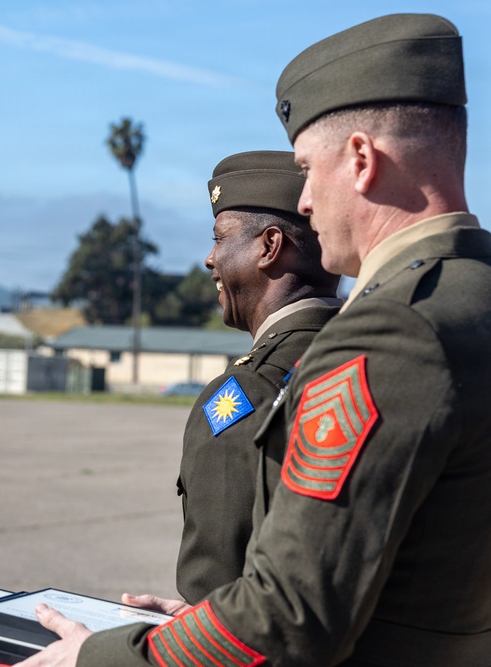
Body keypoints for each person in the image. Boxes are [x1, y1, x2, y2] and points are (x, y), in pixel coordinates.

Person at [14, 14, 491, 667]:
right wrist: (190, 631)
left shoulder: (393, 331)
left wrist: (97, 658)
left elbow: (286, 618)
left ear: (362, 160)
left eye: (309, 170)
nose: (306, 201)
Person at [176, 150, 340, 604]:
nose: (210, 259)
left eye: (220, 238)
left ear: (269, 247)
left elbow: (215, 590)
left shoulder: (248, 393)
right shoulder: (373, 353)